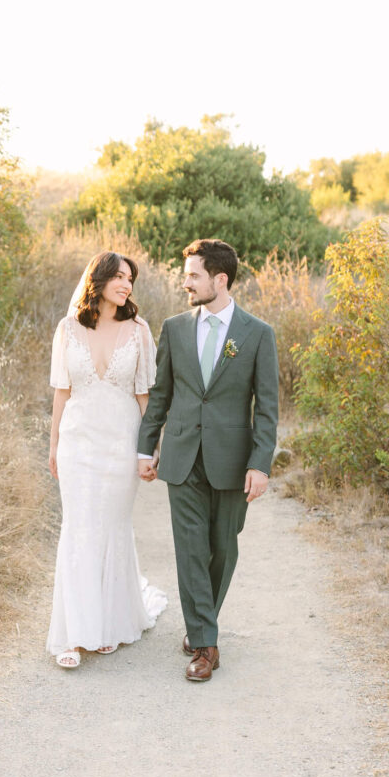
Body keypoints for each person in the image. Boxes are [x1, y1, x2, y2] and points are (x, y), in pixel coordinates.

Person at [137, 238, 278, 682]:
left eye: (193, 275)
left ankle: (202, 620)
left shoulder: (258, 334)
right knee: (191, 549)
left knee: (223, 548)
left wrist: (260, 463)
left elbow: (268, 408)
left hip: (232, 460)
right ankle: (206, 645)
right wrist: (147, 446)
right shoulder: (174, 328)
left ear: (220, 279)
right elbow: (161, 394)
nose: (186, 283)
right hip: (181, 457)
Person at [47, 251, 167, 668]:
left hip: (120, 441)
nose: (126, 284)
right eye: (118, 276)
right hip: (77, 442)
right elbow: (61, 390)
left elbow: (145, 396)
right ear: (97, 279)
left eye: (130, 278)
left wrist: (149, 448)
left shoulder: (138, 331)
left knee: (112, 527)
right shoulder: (68, 328)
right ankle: (72, 633)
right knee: (78, 528)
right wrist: (53, 444)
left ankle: (110, 624)